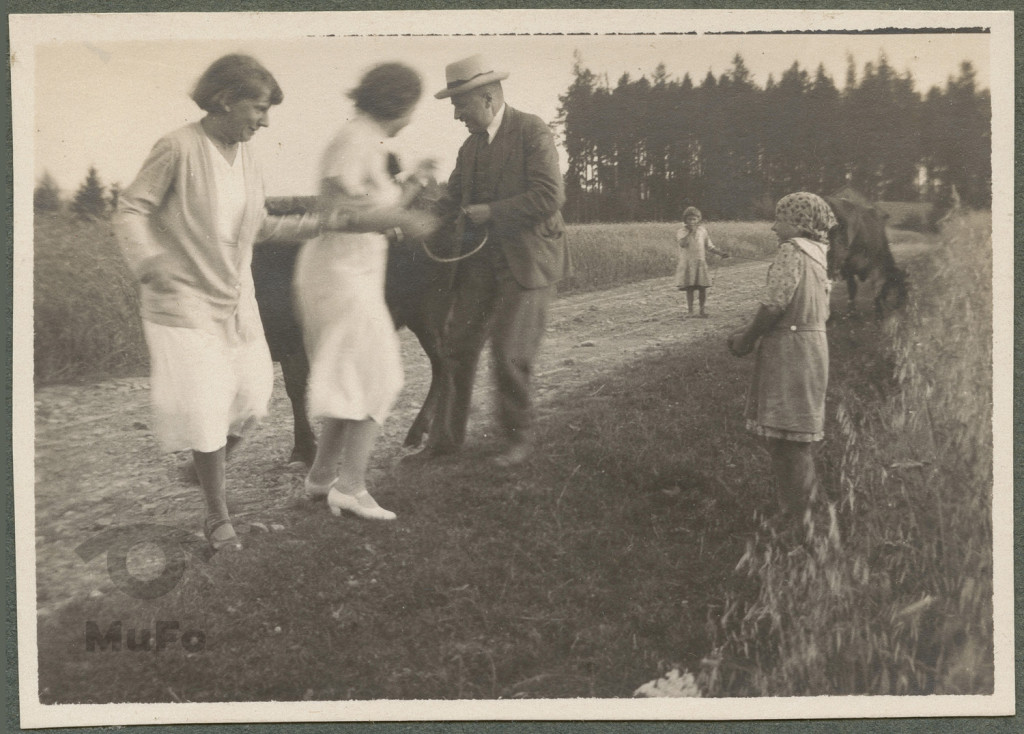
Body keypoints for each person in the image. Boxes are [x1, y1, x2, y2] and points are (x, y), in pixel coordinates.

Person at [116, 54, 328, 551]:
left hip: (236, 297)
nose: (265, 120)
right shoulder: (177, 147)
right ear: (224, 99)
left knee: (254, 397)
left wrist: (319, 226)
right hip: (182, 299)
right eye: (259, 108)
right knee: (208, 402)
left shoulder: (246, 157)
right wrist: (148, 260)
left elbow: (257, 227)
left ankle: (203, 462)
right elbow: (131, 208)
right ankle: (216, 515)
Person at [294, 62, 438, 521]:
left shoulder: (366, 141)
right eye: (412, 107)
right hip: (337, 276)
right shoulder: (354, 140)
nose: (413, 117)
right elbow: (336, 214)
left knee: (353, 379)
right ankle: (351, 488)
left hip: (349, 275)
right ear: (398, 104)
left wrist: (411, 187)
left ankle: (321, 479)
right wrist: (404, 219)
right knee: (381, 377)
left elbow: (372, 208)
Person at [419, 53, 570, 467]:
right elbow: (451, 200)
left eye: (459, 105)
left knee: (509, 353)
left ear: (486, 98)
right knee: (455, 346)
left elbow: (549, 197)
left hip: (528, 261)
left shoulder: (531, 131)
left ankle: (517, 441)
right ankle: (445, 443)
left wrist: (492, 212)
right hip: (480, 263)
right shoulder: (469, 148)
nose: (455, 115)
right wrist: (413, 216)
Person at [727, 192, 836, 529]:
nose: (774, 227)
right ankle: (798, 512)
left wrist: (747, 338)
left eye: (780, 219)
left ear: (799, 222)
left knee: (790, 441)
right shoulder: (819, 255)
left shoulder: (792, 252)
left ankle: (798, 518)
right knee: (792, 436)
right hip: (812, 345)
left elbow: (775, 304)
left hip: (791, 351)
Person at [674, 206, 728, 317]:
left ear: (699, 219)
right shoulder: (681, 231)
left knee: (702, 287)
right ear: (685, 220)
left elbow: (709, 246)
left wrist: (720, 253)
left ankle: (702, 310)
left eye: (694, 219)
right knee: (690, 288)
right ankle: (690, 311)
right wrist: (690, 233)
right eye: (689, 219)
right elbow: (682, 244)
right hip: (688, 263)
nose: (692, 222)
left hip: (700, 262)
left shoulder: (702, 230)